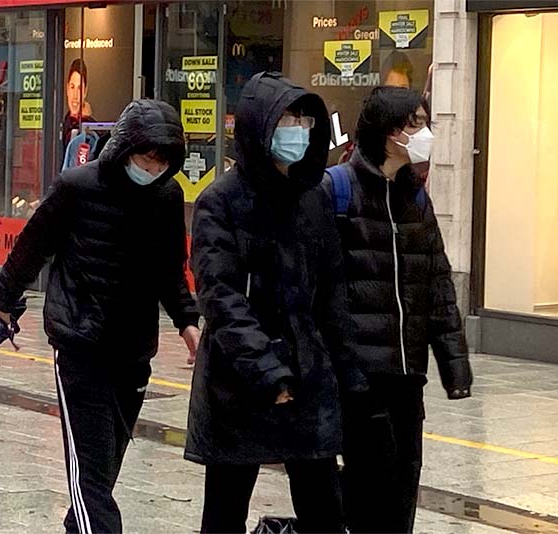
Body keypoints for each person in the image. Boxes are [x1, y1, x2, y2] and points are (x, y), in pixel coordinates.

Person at [0, 99, 201, 534]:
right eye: (146, 156)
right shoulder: (77, 186)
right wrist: (1, 301)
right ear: (125, 148)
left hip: (134, 349)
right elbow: (32, 247)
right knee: (90, 477)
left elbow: (169, 271)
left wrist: (188, 323)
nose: (152, 167)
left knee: (101, 472)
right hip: (80, 343)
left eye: (162, 160)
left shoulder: (166, 195)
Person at [186, 72, 367, 534]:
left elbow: (331, 294)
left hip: (307, 373)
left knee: (324, 506)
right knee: (226, 509)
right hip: (240, 381)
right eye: (287, 119)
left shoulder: (312, 198)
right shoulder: (220, 202)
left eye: (305, 121)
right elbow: (220, 297)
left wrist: (348, 373)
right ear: (259, 126)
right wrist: (267, 372)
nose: (298, 130)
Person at [321, 86, 473, 533]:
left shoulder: (416, 197)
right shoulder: (338, 191)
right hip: (359, 375)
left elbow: (437, 283)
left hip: (408, 374)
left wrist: (455, 364)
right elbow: (320, 289)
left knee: (404, 484)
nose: (425, 133)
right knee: (367, 488)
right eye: (415, 124)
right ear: (389, 133)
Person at [62, 58, 95, 149]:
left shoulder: (93, 128)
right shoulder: (61, 124)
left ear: (85, 92)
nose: (75, 95)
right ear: (67, 88)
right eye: (72, 87)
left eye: (80, 88)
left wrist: (86, 119)